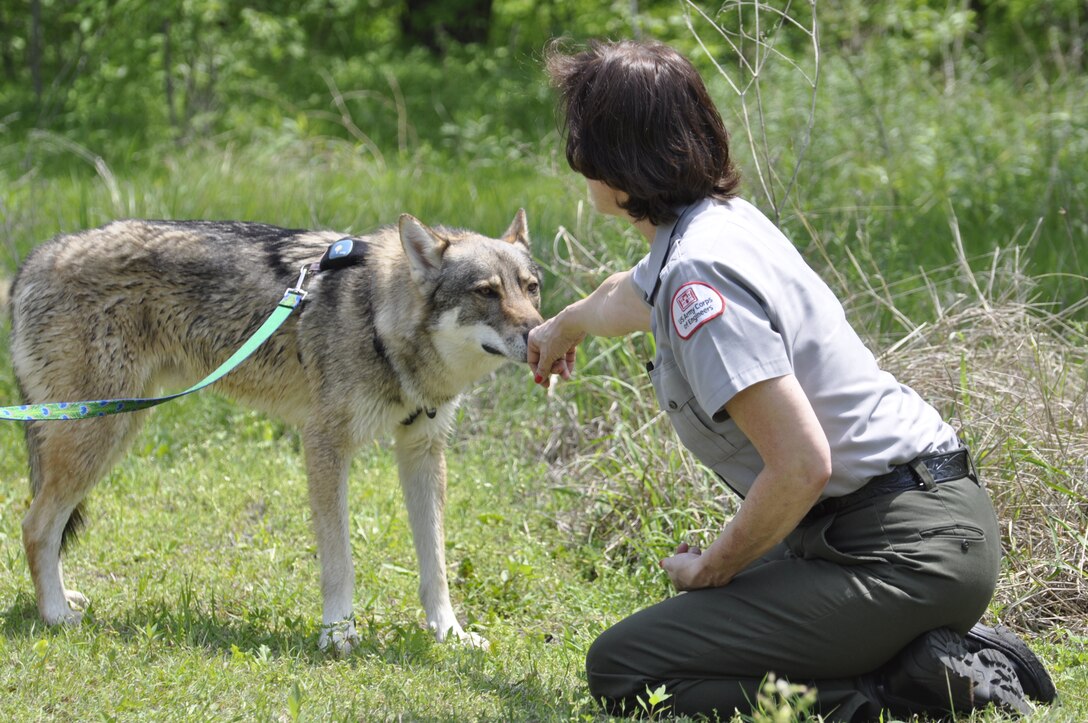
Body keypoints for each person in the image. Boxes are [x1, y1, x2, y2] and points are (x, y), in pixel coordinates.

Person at [527, 39, 1057, 722]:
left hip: (902, 550)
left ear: (617, 160)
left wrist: (714, 565)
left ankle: (908, 687)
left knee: (625, 668)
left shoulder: (698, 274)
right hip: (916, 525)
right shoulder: (714, 230)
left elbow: (802, 463)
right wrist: (561, 328)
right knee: (687, 634)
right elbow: (624, 297)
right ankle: (923, 650)